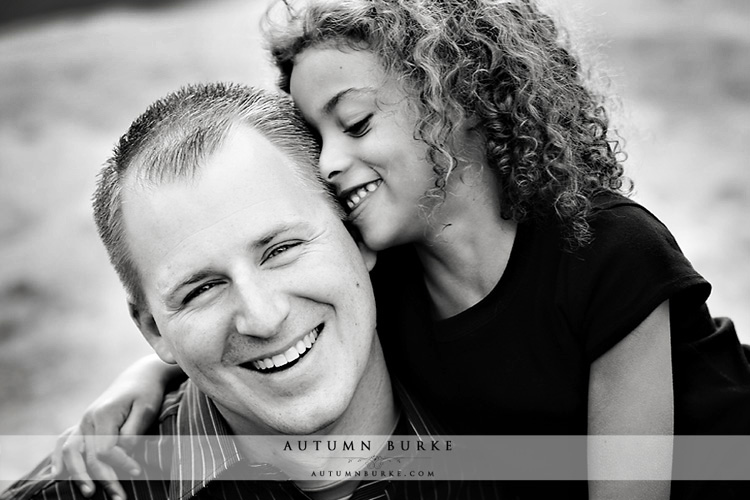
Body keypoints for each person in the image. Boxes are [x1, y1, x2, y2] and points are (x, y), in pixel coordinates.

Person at [52, 0, 750, 499]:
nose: (327, 163)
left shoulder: (604, 250)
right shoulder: (389, 273)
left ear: (457, 100)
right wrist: (149, 375)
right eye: (316, 137)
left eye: (354, 122)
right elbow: (262, 315)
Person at [1, 83, 508, 500]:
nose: (263, 318)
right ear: (155, 329)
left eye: (281, 249)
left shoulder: (527, 426)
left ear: (357, 237)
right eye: (201, 289)